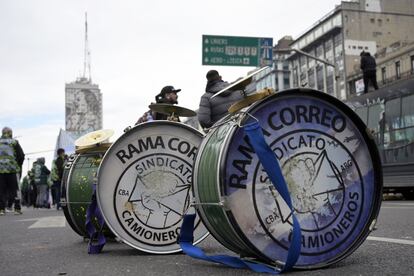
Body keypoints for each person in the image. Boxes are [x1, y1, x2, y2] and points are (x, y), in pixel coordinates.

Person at [0, 127, 25, 215]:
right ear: (10, 133)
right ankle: (17, 209)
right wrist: (18, 165)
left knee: (1, 190)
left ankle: (1, 209)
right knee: (16, 190)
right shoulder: (14, 142)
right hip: (13, 170)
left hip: (1, 171)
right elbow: (21, 155)